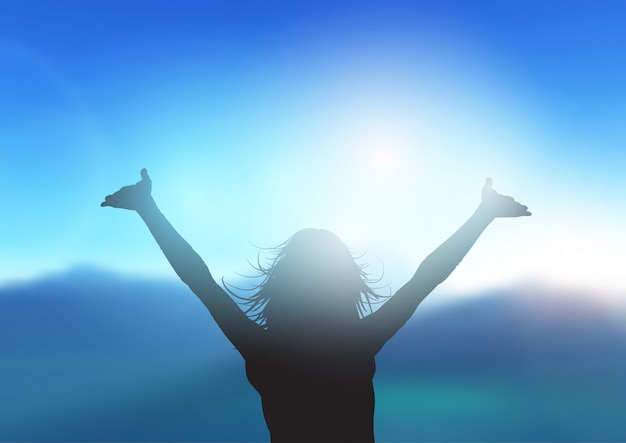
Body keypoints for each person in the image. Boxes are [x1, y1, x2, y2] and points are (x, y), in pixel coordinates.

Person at [101, 169, 530, 442]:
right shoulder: (358, 344)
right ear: (344, 285)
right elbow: (426, 277)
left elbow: (197, 277)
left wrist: (148, 209)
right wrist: (481, 216)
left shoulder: (263, 349)